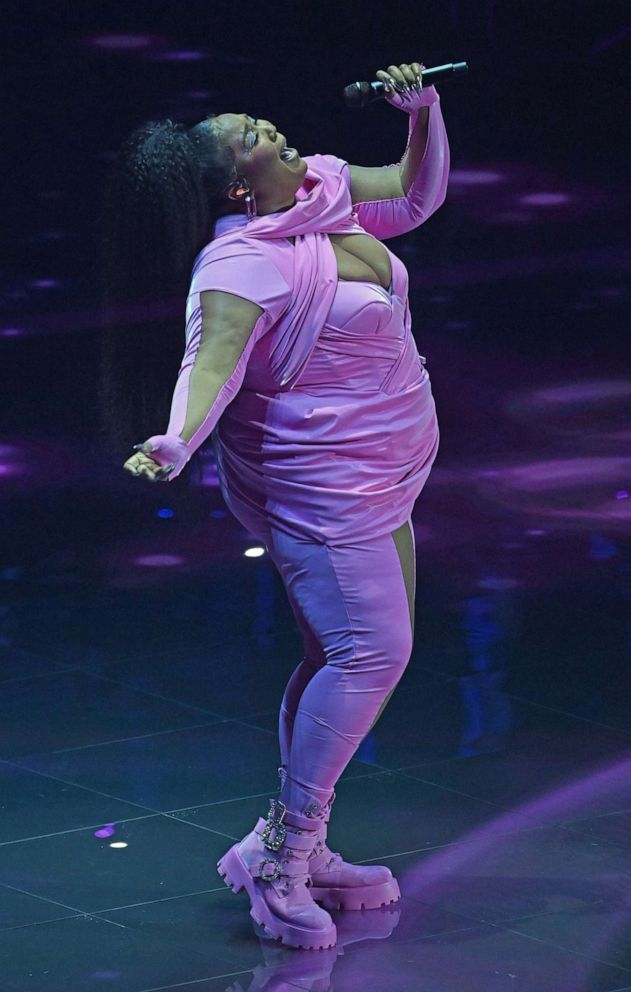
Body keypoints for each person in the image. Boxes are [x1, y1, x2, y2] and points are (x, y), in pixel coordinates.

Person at [119, 60, 450, 949]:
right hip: (321, 484)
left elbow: (412, 199)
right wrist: (175, 443)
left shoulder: (326, 191)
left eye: (257, 117)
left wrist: (420, 111)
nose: (270, 128)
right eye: (250, 136)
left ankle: (304, 840)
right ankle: (281, 858)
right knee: (370, 652)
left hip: (384, 466)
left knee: (336, 652)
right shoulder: (238, 263)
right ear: (236, 181)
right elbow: (210, 363)